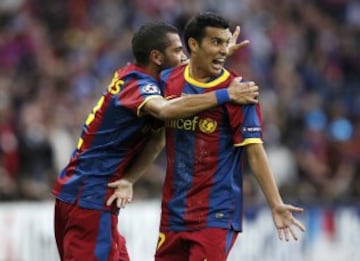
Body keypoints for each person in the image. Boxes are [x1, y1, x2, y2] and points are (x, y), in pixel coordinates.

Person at [52, 22, 259, 261]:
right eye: (178, 51)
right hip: (88, 200)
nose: (184, 57)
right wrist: (227, 94)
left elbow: (158, 138)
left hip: (89, 197)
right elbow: (166, 111)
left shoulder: (139, 78)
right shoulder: (138, 86)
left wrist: (213, 54)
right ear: (157, 57)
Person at [109, 13, 306, 261]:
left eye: (226, 44)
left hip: (216, 213)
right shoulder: (169, 80)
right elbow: (157, 136)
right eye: (216, 43)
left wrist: (276, 203)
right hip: (174, 211)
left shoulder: (241, 91)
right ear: (193, 45)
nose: (224, 51)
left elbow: (254, 153)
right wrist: (129, 178)